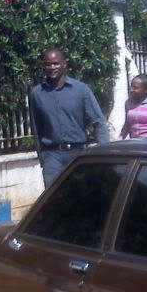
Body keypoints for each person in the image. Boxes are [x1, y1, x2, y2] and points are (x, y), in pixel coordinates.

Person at [28, 48, 110, 188]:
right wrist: (43, 157)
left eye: (56, 63)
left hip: (77, 154)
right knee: (54, 198)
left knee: (80, 195)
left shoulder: (81, 90)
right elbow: (37, 128)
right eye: (48, 64)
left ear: (64, 64)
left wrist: (103, 153)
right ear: (43, 66)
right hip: (52, 156)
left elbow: (98, 122)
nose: (52, 67)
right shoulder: (37, 94)